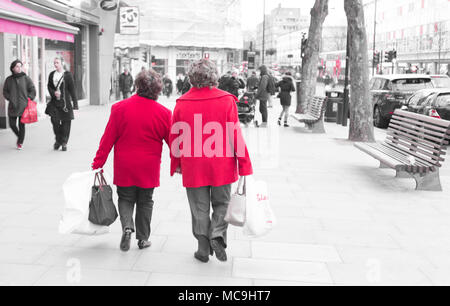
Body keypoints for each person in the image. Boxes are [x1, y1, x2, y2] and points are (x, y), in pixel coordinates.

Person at [170, 59, 253, 263]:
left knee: (199, 207)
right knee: (222, 203)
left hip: (193, 164)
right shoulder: (226, 100)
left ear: (191, 77)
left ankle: (202, 247)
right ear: (214, 76)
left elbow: (176, 137)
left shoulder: (182, 103)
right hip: (221, 164)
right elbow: (235, 135)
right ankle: (217, 233)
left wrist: (177, 163)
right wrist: (244, 164)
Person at [92, 69, 172, 252]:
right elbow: (173, 143)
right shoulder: (164, 113)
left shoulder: (119, 108)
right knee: (146, 201)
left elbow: (108, 139)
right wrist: (180, 163)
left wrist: (98, 163)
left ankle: (127, 227)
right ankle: (143, 239)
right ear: (158, 90)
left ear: (137, 85)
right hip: (148, 167)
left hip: (125, 165)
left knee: (125, 198)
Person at [45, 57, 78, 152]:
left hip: (65, 103)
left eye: (57, 63)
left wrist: (75, 103)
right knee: (54, 121)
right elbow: (49, 86)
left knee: (66, 123)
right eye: (54, 63)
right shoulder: (52, 74)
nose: (55, 64)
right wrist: (53, 93)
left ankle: (64, 142)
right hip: (55, 102)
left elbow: (72, 89)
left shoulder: (67, 75)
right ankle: (58, 140)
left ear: (62, 63)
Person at [2, 60, 36, 150]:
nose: (19, 68)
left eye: (20, 66)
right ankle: (20, 136)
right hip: (12, 106)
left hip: (23, 106)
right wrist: (10, 98)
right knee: (12, 124)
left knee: (21, 125)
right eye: (17, 66)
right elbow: (5, 91)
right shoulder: (9, 80)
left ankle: (20, 142)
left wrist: (29, 98)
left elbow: (32, 89)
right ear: (13, 68)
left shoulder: (26, 78)